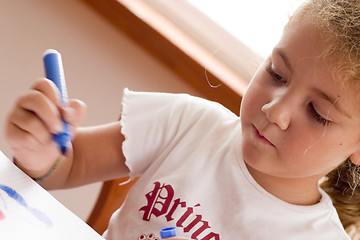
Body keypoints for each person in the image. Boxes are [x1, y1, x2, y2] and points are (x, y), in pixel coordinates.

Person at [4, 0, 360, 239]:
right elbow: (69, 165)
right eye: (277, 73)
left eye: (318, 113)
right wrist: (42, 153)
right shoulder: (189, 124)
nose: (276, 111)